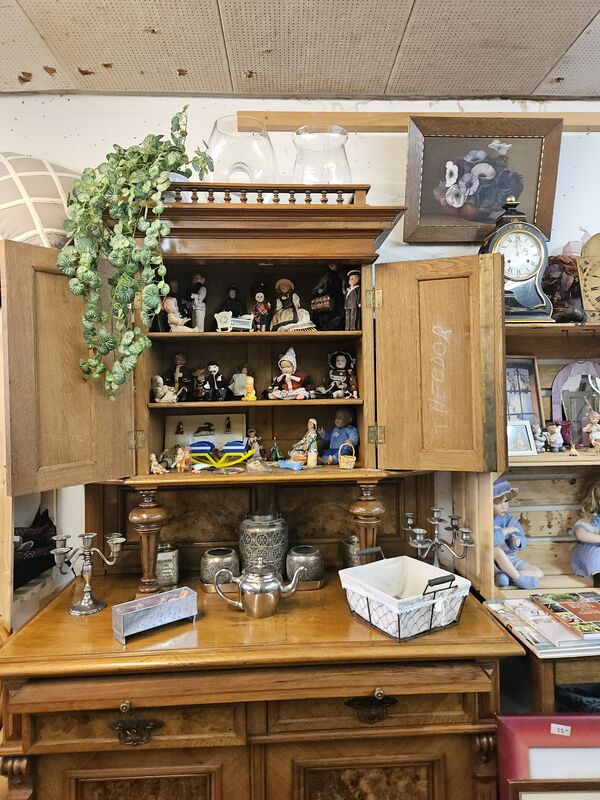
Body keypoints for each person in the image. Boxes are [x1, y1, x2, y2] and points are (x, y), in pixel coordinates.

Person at [493, 478, 543, 589]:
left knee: (539, 573)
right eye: (498, 503)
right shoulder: (485, 519)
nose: (504, 506)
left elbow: (519, 535)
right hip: (493, 563)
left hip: (510, 560)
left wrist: (517, 542)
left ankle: (506, 575)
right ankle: (517, 578)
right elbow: (491, 541)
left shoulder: (509, 520)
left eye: (506, 501)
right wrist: (504, 531)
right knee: (496, 550)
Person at [571, 479, 600, 587]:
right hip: (590, 553)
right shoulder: (589, 520)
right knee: (595, 551)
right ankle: (598, 576)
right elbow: (581, 535)